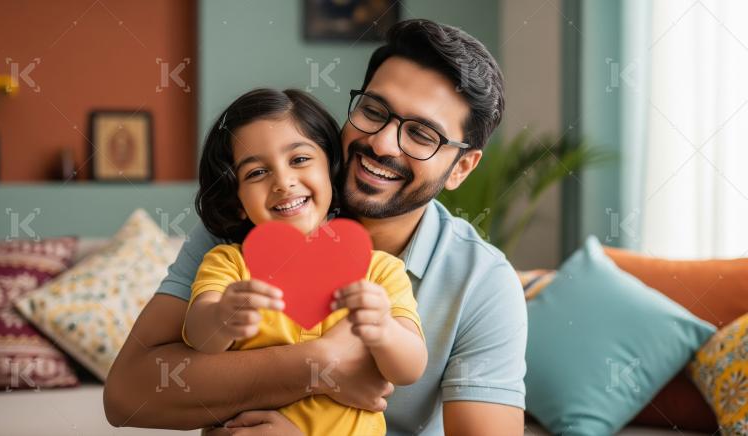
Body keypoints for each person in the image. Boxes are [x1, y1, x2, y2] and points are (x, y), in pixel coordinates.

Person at [105, 19, 527, 435]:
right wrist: (319, 366)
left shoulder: (483, 283)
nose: (381, 143)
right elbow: (128, 394)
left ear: (461, 168)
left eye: (421, 134)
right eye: (374, 111)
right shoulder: (258, 218)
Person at [182, 88, 427, 435]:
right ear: (237, 200)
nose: (283, 182)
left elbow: (410, 368)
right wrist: (222, 316)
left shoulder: (380, 270)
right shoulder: (228, 263)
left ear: (331, 168)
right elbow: (200, 336)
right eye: (256, 173)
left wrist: (384, 328)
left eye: (299, 160)